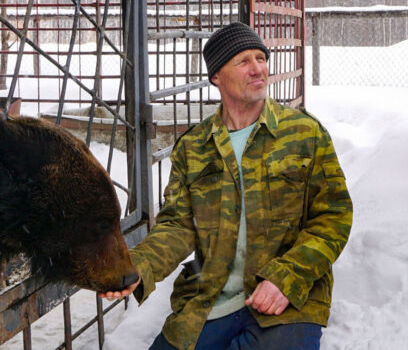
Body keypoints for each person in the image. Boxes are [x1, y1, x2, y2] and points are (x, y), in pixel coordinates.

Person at [99, 22, 353, 350]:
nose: (257, 68)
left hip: (285, 300)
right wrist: (138, 266)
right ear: (217, 76)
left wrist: (286, 277)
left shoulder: (304, 134)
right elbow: (178, 227)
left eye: (261, 58)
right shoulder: (194, 147)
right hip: (209, 299)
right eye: (243, 61)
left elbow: (334, 218)